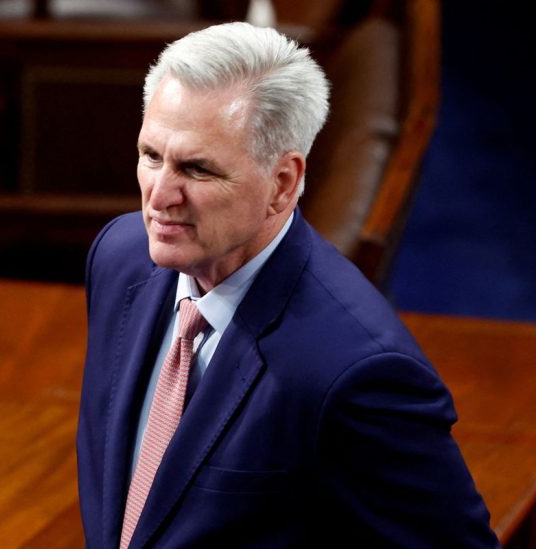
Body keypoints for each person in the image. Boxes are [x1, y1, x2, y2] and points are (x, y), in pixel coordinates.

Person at [76, 22, 498, 548]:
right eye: (151, 155)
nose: (160, 195)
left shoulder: (358, 370)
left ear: (283, 184)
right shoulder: (120, 259)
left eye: (197, 169)